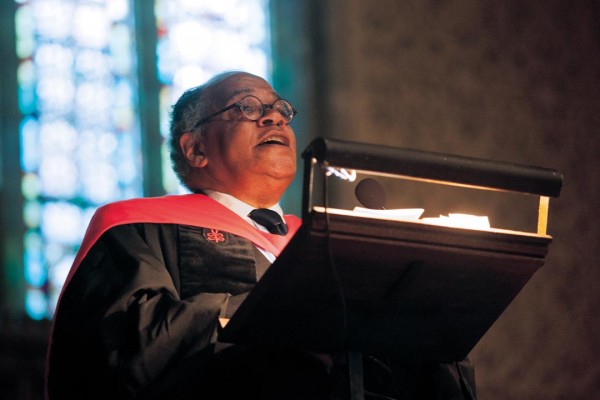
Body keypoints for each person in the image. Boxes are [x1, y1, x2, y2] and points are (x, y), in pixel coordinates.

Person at [46, 71, 476, 399]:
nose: (272, 116)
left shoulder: (323, 245)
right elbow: (130, 351)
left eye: (280, 110)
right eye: (245, 107)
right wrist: (276, 310)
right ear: (195, 149)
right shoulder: (136, 227)